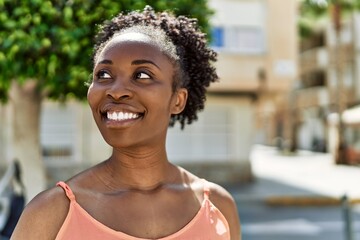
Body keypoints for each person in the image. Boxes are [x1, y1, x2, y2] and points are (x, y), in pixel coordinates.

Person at [11, 6, 241, 240]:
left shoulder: (219, 208)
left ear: (178, 100)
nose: (116, 91)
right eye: (103, 75)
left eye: (142, 75)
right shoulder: (51, 214)